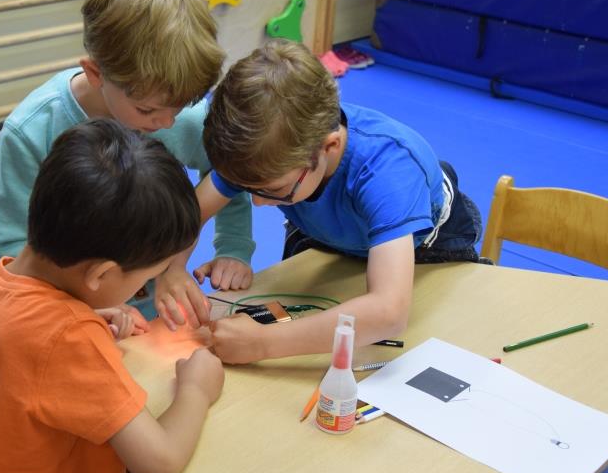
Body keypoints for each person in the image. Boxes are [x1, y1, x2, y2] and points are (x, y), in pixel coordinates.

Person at [0, 120, 225, 473]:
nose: (143, 289)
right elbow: (160, 462)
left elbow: (20, 366)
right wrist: (196, 388)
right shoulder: (70, 339)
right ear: (100, 274)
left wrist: (87, 316)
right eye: (146, 280)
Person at [0, 0, 255, 330]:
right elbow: (15, 248)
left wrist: (231, 249)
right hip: (67, 314)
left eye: (180, 107)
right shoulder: (32, 133)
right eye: (147, 110)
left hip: (155, 312)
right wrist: (83, 310)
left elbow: (229, 171)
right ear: (96, 73)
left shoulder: (178, 115)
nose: (166, 122)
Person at [198, 40, 484, 364]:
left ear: (329, 147)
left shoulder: (389, 172)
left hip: (425, 247)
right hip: (330, 230)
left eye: (273, 190)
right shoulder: (266, 151)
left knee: (415, 345)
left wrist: (261, 344)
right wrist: (173, 273)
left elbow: (388, 313)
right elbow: (190, 216)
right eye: (245, 187)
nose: (258, 203)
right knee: (301, 314)